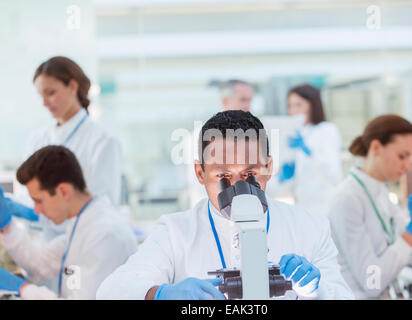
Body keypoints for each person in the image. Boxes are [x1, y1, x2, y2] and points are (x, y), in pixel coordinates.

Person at [96, 110, 354, 300]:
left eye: (250, 174)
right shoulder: (175, 232)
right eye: (223, 176)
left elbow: (343, 296)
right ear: (200, 173)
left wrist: (317, 292)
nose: (239, 189)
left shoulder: (310, 227)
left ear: (269, 167)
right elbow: (110, 291)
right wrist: (160, 293)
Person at [327, 114, 412, 299]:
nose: (408, 166)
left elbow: (409, 245)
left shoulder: (380, 192)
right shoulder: (347, 200)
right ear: (376, 148)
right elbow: (372, 282)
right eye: (402, 156)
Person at [6, 56, 123, 240]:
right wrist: (12, 206)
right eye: (41, 96)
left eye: (51, 93)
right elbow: (25, 195)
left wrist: (38, 215)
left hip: (82, 246)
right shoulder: (38, 138)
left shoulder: (103, 142)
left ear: (73, 86)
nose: (45, 103)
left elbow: (102, 209)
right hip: (37, 247)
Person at [0, 146, 137, 299]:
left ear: (64, 191)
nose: (36, 210)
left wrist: (23, 289)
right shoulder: (82, 224)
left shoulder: (104, 235)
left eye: (39, 201)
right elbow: (41, 264)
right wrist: (7, 227)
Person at [183, 79, 255, 208]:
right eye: (243, 100)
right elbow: (198, 182)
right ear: (225, 101)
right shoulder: (202, 135)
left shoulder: (252, 135)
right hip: (211, 213)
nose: (248, 106)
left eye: (250, 100)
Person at [278, 84, 342, 216]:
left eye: (299, 105)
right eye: (290, 106)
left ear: (312, 105)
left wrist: (309, 152)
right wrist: (283, 177)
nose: (293, 111)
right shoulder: (297, 135)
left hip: (325, 208)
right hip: (302, 207)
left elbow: (334, 176)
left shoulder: (326, 130)